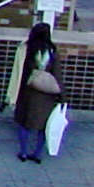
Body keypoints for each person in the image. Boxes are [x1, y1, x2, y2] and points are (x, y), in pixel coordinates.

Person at [13, 21, 62, 163]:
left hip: (29, 93)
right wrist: (62, 96)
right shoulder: (52, 52)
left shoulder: (27, 49)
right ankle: (37, 153)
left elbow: (21, 72)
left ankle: (23, 152)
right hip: (47, 97)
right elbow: (58, 75)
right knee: (44, 127)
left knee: (24, 124)